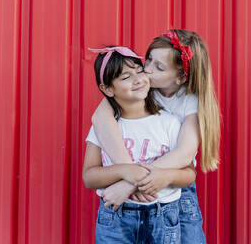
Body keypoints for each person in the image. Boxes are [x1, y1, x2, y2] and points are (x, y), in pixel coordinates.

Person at [91, 29, 220, 244]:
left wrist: (131, 184)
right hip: (136, 191)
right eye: (148, 59)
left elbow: (184, 154)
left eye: (158, 67)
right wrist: (130, 175)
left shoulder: (190, 101)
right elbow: (100, 119)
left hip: (176, 186)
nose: (147, 70)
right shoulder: (139, 88)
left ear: (180, 76)